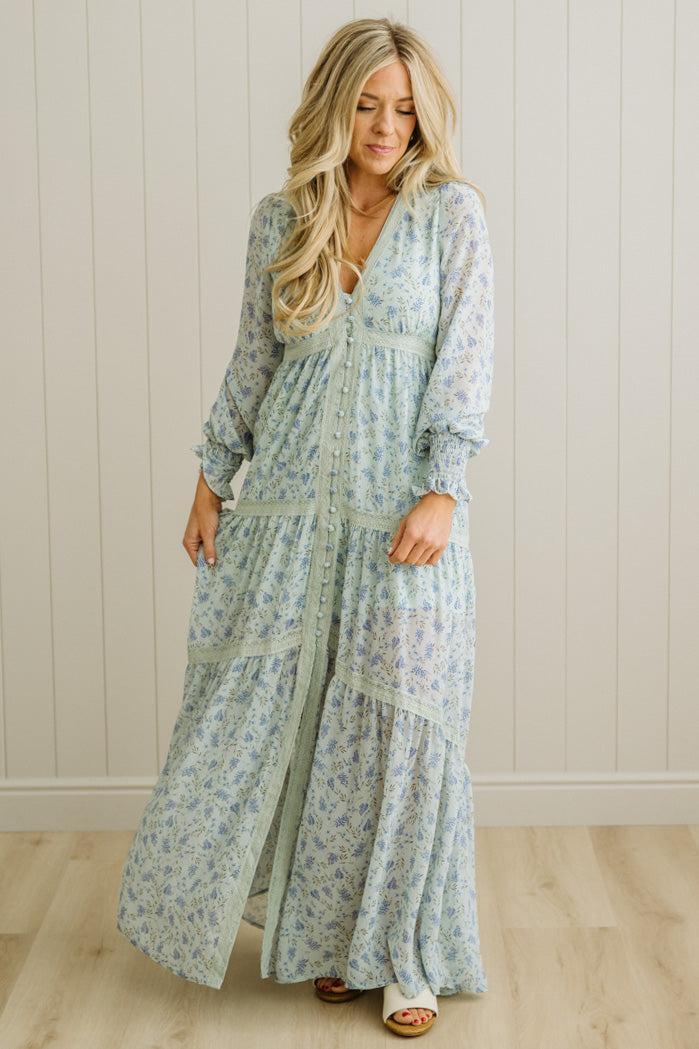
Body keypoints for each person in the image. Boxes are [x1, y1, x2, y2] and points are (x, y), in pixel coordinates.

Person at [116, 16, 495, 1039]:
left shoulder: (450, 215)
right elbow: (254, 361)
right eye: (368, 103)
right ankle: (332, 937)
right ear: (335, 104)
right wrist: (209, 473)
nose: (386, 125)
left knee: (404, 724)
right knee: (300, 721)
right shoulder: (281, 219)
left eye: (405, 107)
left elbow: (465, 359)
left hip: (398, 512)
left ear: (425, 116)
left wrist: (444, 485)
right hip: (285, 510)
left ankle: (404, 949)